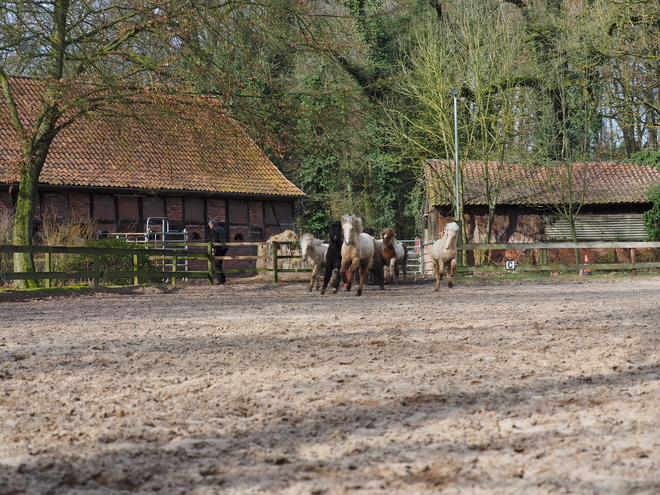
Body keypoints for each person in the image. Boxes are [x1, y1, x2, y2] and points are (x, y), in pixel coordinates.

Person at [208, 220, 229, 284]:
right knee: (219, 264)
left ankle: (221, 280)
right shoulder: (222, 229)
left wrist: (213, 249)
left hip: (219, 248)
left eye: (210, 226)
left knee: (217, 264)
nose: (210, 227)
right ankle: (222, 279)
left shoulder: (214, 230)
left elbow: (215, 241)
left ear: (212, 225)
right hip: (225, 248)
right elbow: (227, 239)